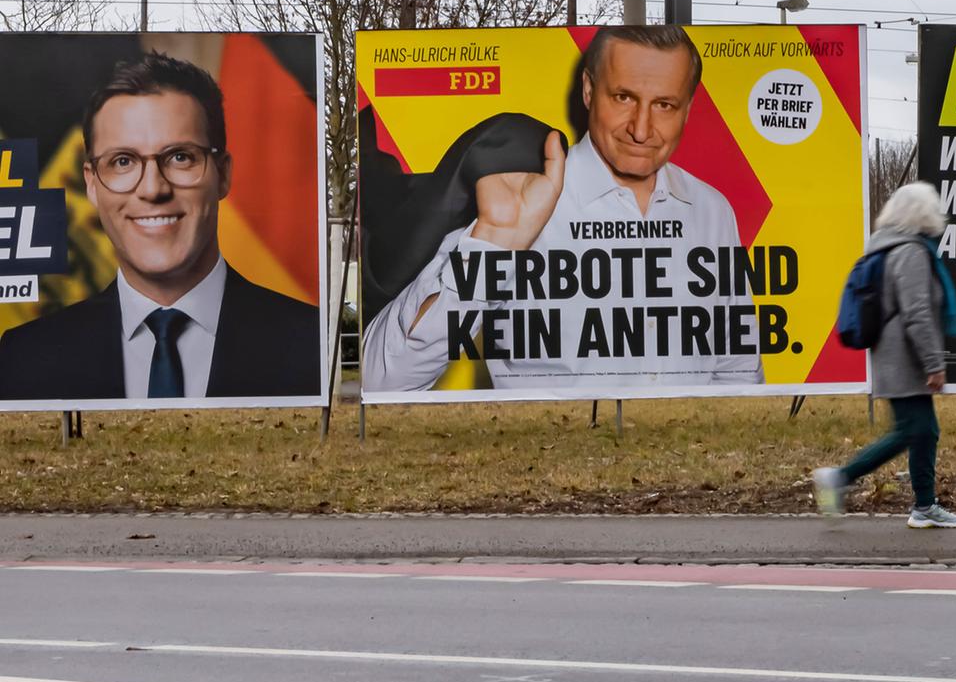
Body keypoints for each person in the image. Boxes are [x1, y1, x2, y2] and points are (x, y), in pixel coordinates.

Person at [361, 24, 765, 392]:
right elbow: (384, 381)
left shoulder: (711, 210)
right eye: (623, 97)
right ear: (589, 90)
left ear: (688, 108)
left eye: (664, 105)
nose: (641, 130)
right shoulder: (524, 199)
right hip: (554, 466)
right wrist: (492, 243)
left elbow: (737, 370)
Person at [0, 52, 321, 401]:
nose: (153, 189)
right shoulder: (23, 359)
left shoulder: (313, 346)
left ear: (224, 174)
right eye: (122, 161)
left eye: (180, 157)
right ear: (91, 184)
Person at [812, 181, 956, 528]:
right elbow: (917, 312)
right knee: (911, 430)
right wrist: (933, 363)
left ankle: (925, 507)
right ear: (922, 214)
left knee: (924, 430)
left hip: (893, 354)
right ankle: (840, 477)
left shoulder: (887, 248)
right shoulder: (910, 252)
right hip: (905, 358)